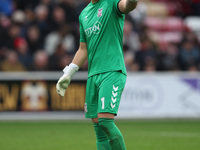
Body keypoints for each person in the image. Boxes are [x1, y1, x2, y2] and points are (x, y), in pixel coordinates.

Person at [56, 0, 137, 150]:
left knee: (105, 121)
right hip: (93, 75)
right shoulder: (84, 14)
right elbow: (83, 49)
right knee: (99, 131)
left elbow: (127, 6)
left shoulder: (111, 3)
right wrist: (69, 72)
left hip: (112, 71)